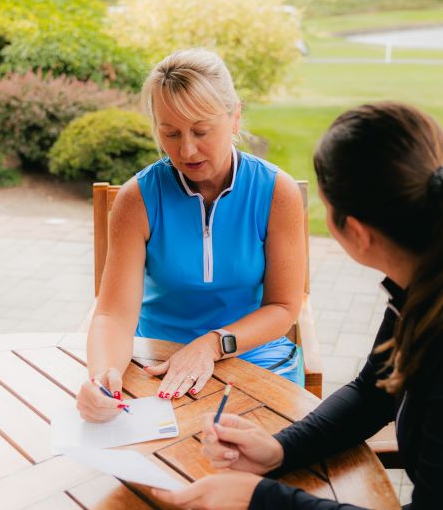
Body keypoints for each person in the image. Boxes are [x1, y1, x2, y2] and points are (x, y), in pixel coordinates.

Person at [152, 102, 443, 509]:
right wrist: (281, 450)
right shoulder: (441, 270)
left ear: (357, 233)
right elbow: (374, 391)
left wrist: (259, 500)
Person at [76, 48, 306, 423]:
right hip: (157, 362)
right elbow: (114, 315)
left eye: (200, 131)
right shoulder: (138, 198)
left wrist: (212, 345)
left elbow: (283, 308)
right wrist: (102, 379)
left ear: (234, 117)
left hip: (252, 356)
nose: (186, 149)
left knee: (253, 462)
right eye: (170, 133)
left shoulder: (276, 192)